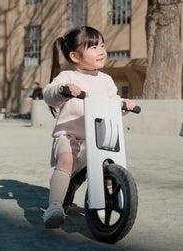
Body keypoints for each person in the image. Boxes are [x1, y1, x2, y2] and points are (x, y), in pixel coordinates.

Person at [42, 26, 136, 228]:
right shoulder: (68, 77)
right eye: (93, 47)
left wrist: (124, 105)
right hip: (70, 136)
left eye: (102, 45)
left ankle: (104, 206)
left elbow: (113, 103)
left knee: (108, 166)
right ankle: (55, 206)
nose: (101, 51)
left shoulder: (106, 80)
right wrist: (63, 91)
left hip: (97, 139)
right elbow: (49, 94)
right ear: (75, 56)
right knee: (66, 159)